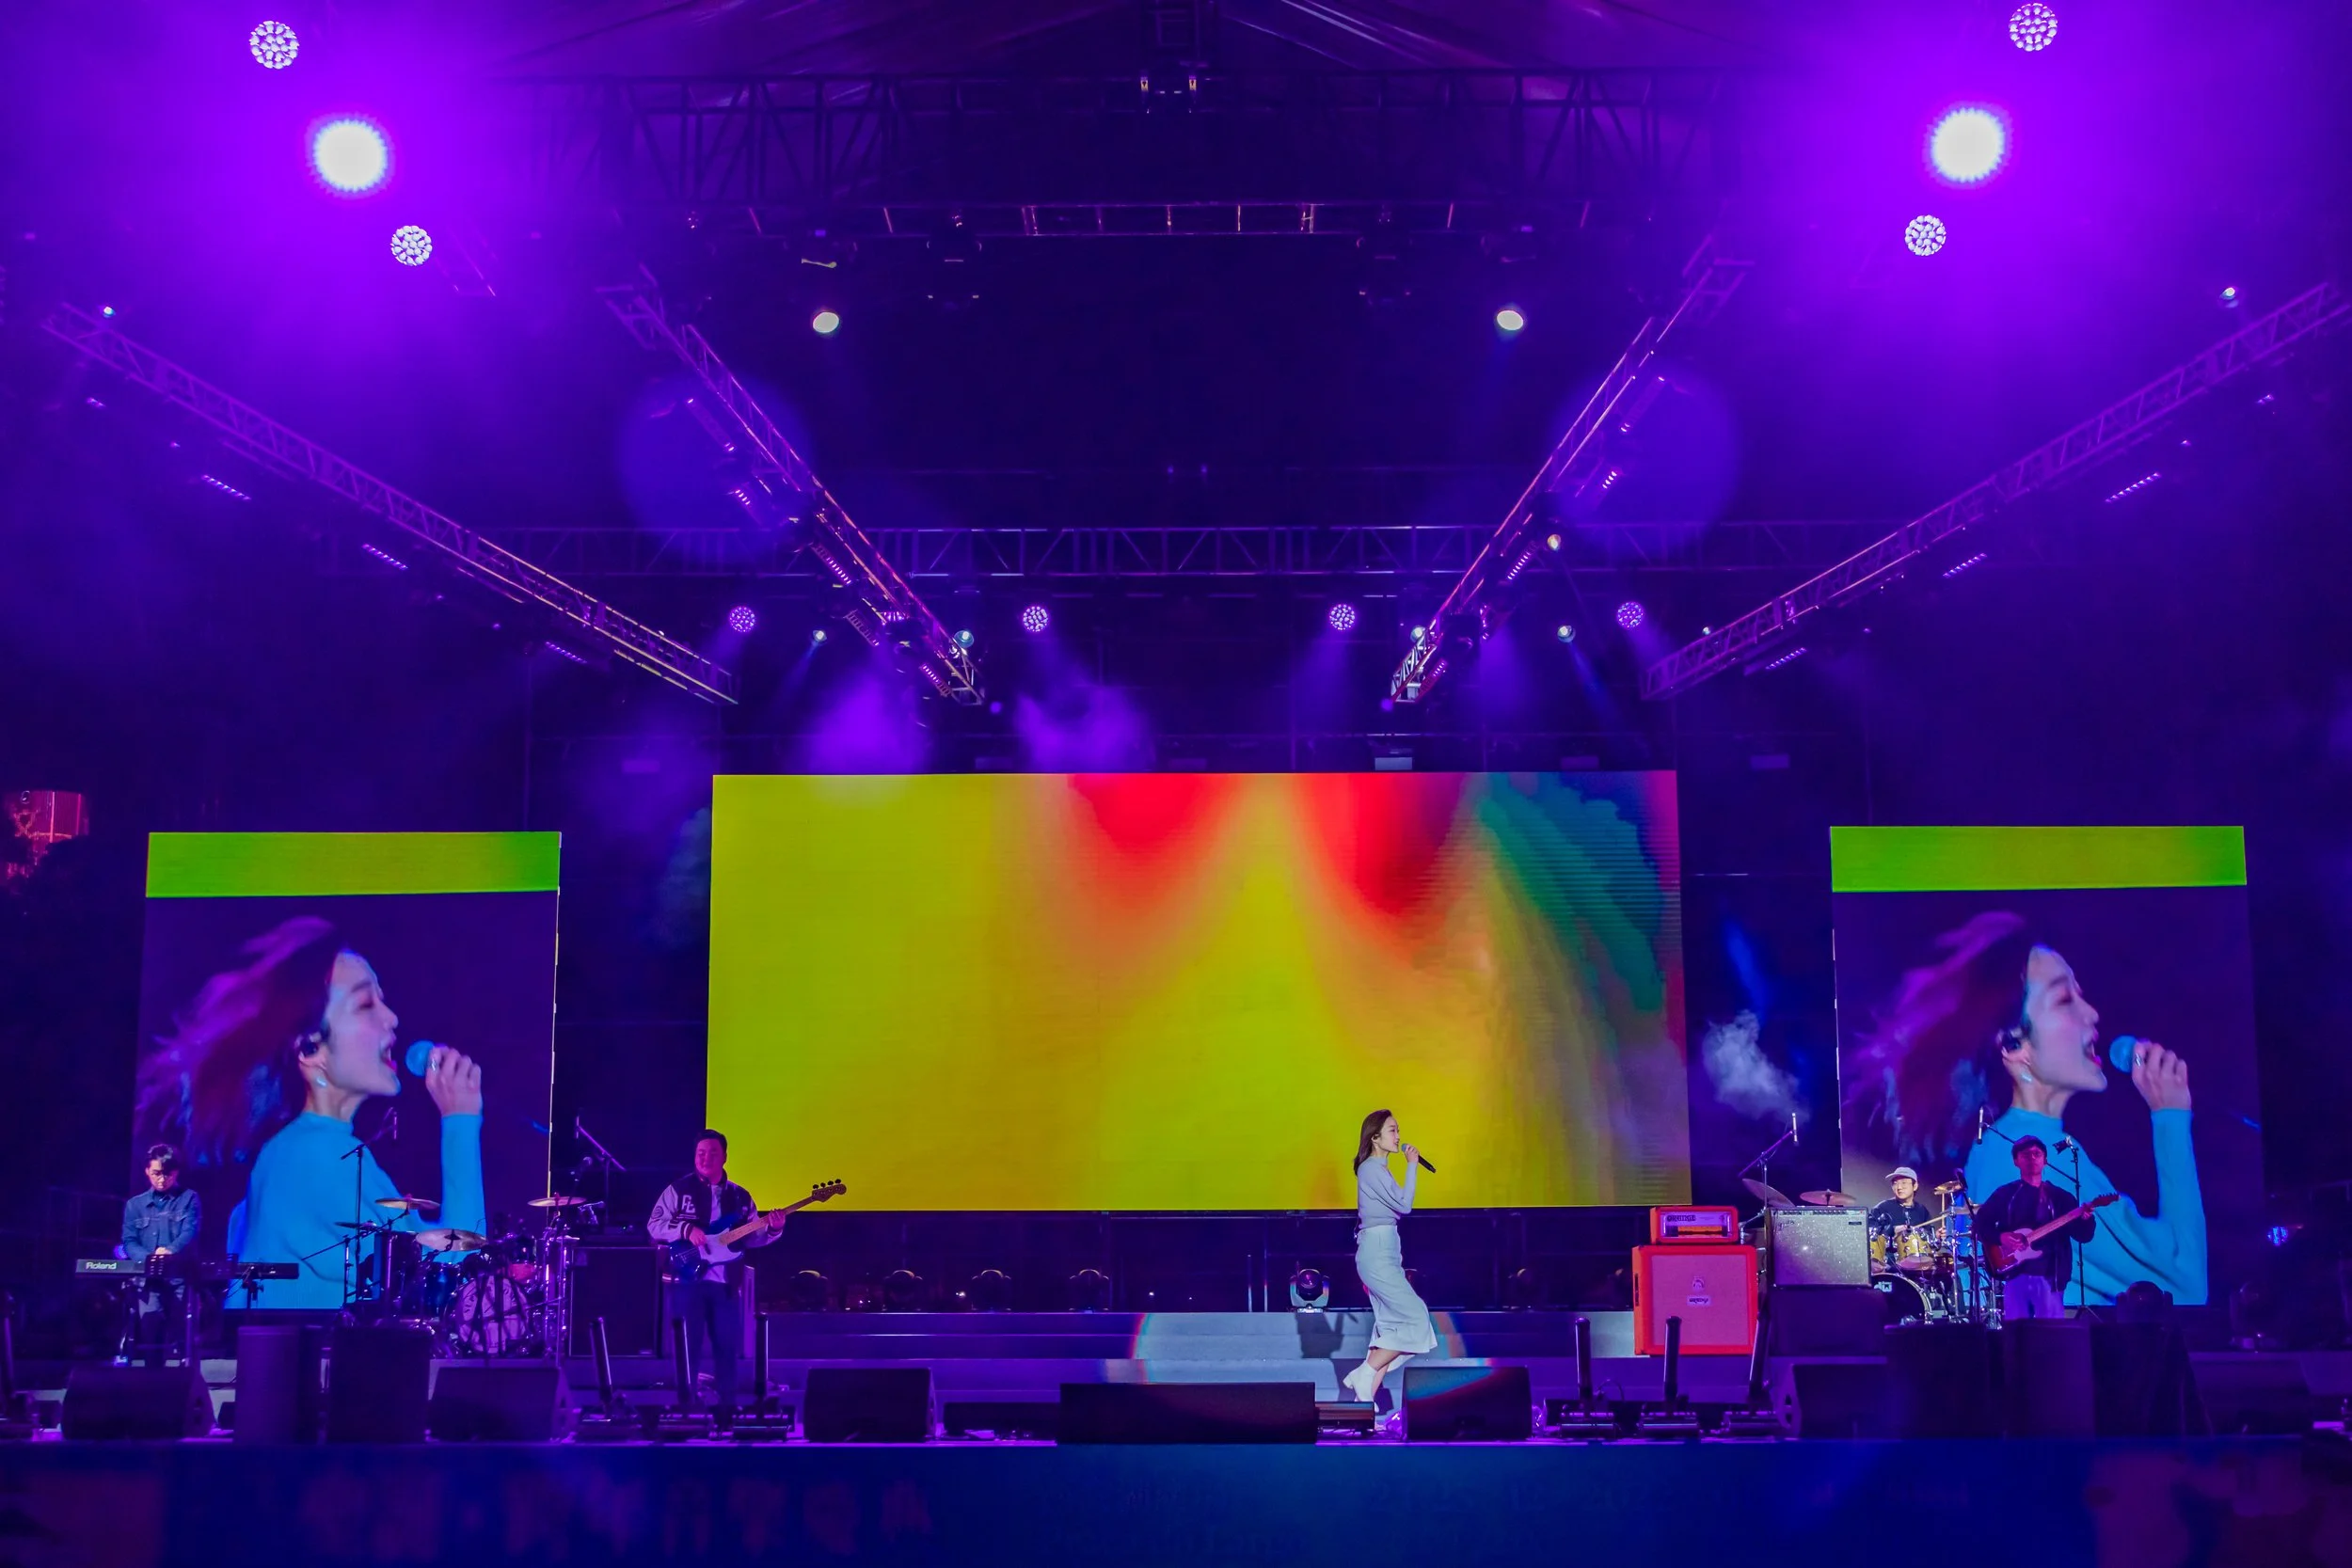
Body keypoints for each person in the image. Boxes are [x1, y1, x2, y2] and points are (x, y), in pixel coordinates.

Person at [1845, 913, 2205, 1305]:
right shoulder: (2020, 1156)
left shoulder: (2032, 1144)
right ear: (2015, 1048)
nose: (2092, 1014)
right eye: (2065, 999)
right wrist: (2170, 1117)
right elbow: (2184, 1285)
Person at [135, 917, 485, 1308]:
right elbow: (453, 1272)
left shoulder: (313, 1148)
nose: (392, 1018)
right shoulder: (314, 1156)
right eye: (366, 1003)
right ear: (310, 1050)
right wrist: (461, 1120)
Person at [646, 1131, 786, 1419]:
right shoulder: (678, 1190)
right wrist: (685, 1230)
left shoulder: (740, 1196)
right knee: (688, 1346)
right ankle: (686, 1409)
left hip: (725, 1283)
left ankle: (727, 1409)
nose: (705, 1158)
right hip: (687, 1279)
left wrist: (773, 1228)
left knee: (727, 1346)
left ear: (724, 1157)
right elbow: (654, 1225)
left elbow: (753, 1237)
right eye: (700, 1152)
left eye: (711, 1153)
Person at [1342, 1110, 1437, 1407]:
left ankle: (1363, 1403)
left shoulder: (1379, 1170)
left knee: (1390, 1329)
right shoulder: (1371, 1169)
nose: (1398, 1136)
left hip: (1385, 1251)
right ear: (1375, 1137)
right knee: (1416, 1317)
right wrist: (1412, 1167)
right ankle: (1365, 1372)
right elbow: (1405, 1205)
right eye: (1392, 1130)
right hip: (1377, 1252)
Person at [1979, 1135, 2097, 1321]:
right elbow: (1980, 1225)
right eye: (2025, 1155)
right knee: (2017, 1338)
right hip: (2015, 1275)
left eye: (2037, 1154)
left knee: (2051, 1338)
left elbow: (2084, 1236)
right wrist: (2001, 1238)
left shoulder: (2061, 1198)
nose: (2032, 1158)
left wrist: (2086, 1219)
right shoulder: (2005, 1195)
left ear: (2045, 1161)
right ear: (2016, 1161)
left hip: (2051, 1278)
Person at [116, 1144, 201, 1364]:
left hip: (179, 1280)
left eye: (167, 1174)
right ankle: (153, 1386)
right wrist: (149, 1259)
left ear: (176, 1172)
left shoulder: (189, 1198)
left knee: (184, 1338)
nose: (161, 1180)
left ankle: (188, 1385)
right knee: (151, 1338)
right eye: (156, 1174)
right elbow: (129, 1240)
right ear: (147, 1171)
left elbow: (190, 1231)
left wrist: (170, 1251)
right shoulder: (135, 1205)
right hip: (147, 1282)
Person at [1867, 1167, 1931, 1234]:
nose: (1899, 1187)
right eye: (1895, 1183)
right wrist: (1892, 1230)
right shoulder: (1881, 1208)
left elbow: (1928, 1235)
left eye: (1904, 1183)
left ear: (1915, 1186)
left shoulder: (1922, 1210)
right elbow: (1869, 1230)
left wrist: (1937, 1237)